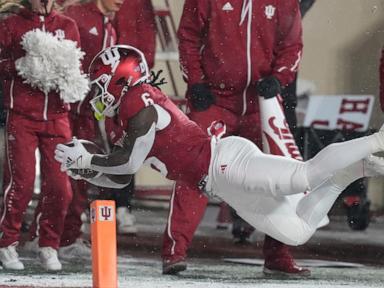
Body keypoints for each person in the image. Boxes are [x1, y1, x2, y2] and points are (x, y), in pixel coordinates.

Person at [54, 46, 384, 281]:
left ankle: (377, 140)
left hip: (226, 162)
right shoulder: (131, 112)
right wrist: (89, 168)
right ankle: (351, 171)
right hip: (219, 183)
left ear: (120, 78)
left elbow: (125, 164)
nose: (99, 94)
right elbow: (120, 177)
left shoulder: (140, 106)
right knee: (297, 232)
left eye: (101, 85)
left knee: (304, 176)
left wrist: (88, 159)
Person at [163, 0, 306, 276]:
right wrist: (195, 82)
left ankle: (278, 254)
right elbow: (188, 37)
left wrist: (279, 77)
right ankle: (174, 251)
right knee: (195, 171)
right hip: (214, 100)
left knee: (277, 176)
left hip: (260, 103)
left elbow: (292, 44)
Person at [25, 0, 156, 260]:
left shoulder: (108, 24)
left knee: (81, 176)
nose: (121, 1)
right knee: (60, 177)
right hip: (65, 111)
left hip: (87, 114)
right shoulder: (77, 17)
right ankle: (43, 236)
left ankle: (66, 237)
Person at [0, 0, 85, 271]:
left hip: (58, 119)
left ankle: (48, 244)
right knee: (21, 183)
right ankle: (7, 243)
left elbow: (75, 69)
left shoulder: (67, 26)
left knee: (61, 188)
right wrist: (21, 66)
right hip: (22, 117)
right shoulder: (11, 24)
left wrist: (67, 76)